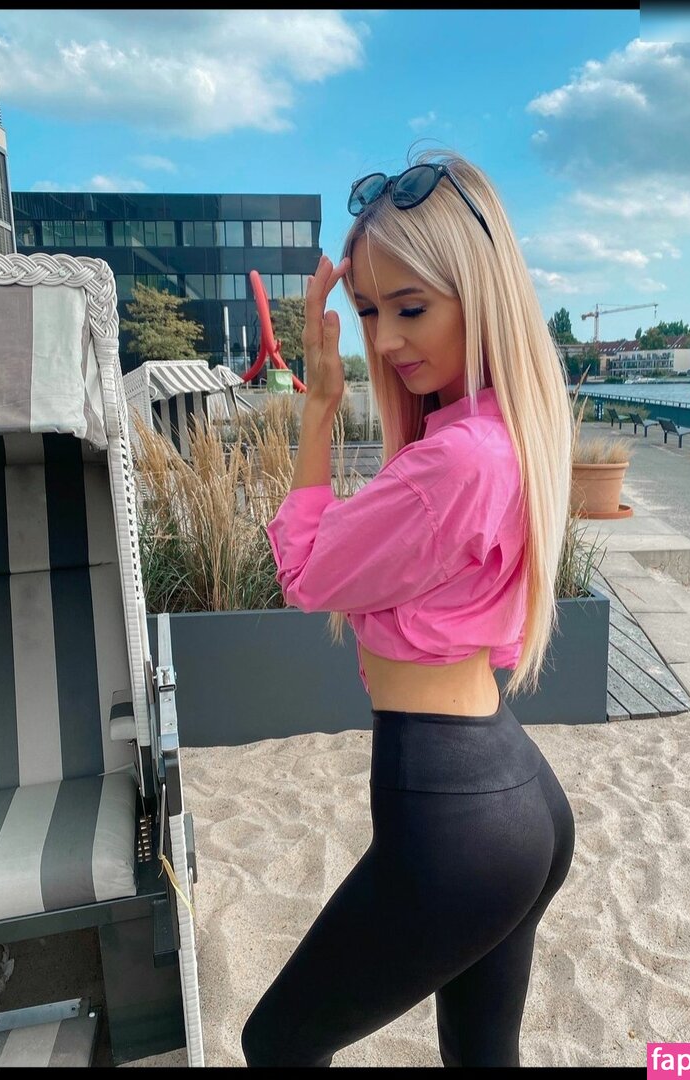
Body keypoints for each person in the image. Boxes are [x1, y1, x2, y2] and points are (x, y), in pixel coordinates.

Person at [240, 149, 576, 1068]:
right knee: (480, 1051)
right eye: (367, 310)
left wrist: (320, 408)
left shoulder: (455, 461)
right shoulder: (503, 432)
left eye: (411, 307)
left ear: (479, 292)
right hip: (512, 791)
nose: (385, 339)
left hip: (454, 812)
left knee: (276, 1044)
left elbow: (306, 574)